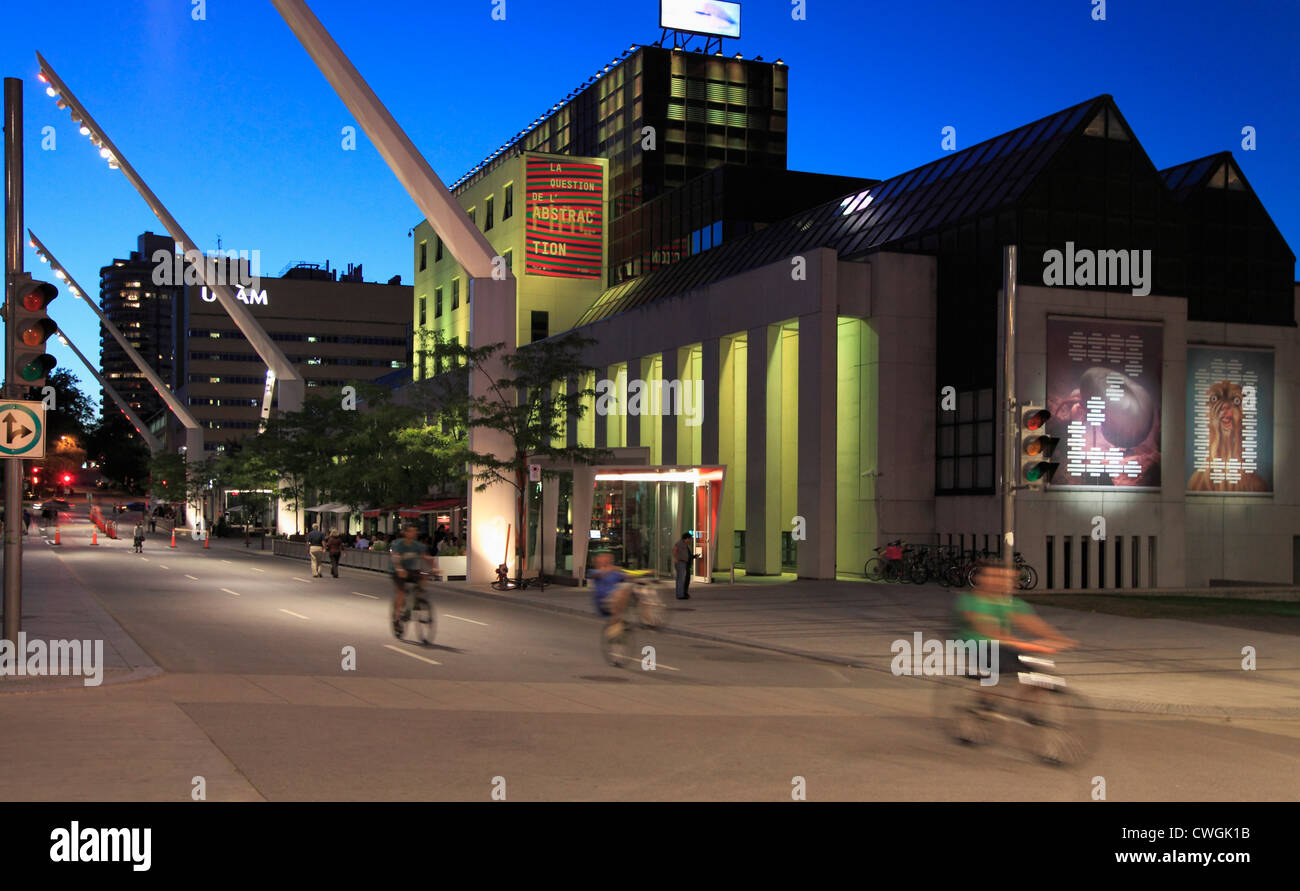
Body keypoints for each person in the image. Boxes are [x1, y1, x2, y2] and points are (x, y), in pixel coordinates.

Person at [955, 560, 1076, 706]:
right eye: (994, 577)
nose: (1002, 582)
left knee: (1036, 673)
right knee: (1013, 670)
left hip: (1003, 648)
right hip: (977, 646)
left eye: (1007, 579)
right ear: (980, 579)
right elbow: (987, 629)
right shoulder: (971, 601)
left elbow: (1031, 623)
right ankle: (988, 705)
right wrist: (1029, 645)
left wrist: (1056, 638)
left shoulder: (1010, 603)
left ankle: (1023, 709)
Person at [390, 522, 434, 635]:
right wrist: (399, 569)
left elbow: (426, 557)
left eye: (415, 531)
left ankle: (418, 599)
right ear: (404, 532)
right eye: (411, 531)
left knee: (423, 578)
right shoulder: (398, 544)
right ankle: (397, 619)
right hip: (397, 571)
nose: (414, 533)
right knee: (401, 593)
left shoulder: (417, 545)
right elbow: (396, 557)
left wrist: (434, 568)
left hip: (411, 570)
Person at [587, 549, 632, 640]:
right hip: (604, 602)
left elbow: (628, 576)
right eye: (603, 558)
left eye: (608, 558)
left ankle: (650, 622)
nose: (606, 560)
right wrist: (611, 569)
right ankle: (615, 622)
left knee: (631, 588)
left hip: (616, 601)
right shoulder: (595, 572)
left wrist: (645, 572)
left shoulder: (615, 573)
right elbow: (599, 575)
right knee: (619, 592)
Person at [672, 531, 696, 600]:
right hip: (680, 563)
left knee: (681, 579)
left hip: (683, 562)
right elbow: (674, 550)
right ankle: (680, 595)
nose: (690, 540)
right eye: (690, 539)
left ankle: (680, 594)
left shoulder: (685, 544)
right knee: (680, 579)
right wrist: (676, 558)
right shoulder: (680, 543)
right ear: (686, 538)